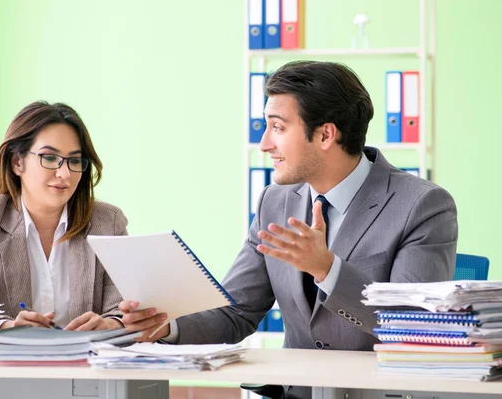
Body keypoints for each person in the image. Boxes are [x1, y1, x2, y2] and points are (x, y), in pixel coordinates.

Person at [117, 61, 458, 399]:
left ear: (325, 134)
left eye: (278, 128)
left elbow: (413, 329)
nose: (264, 144)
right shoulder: (273, 202)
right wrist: (165, 326)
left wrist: (327, 270)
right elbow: (237, 311)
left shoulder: (422, 205)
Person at [0, 101, 127, 333]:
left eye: (74, 161)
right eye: (50, 158)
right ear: (17, 162)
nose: (64, 174)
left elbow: (124, 310)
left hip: (86, 365)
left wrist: (109, 325)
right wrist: (6, 327)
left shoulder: (107, 222)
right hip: (8, 366)